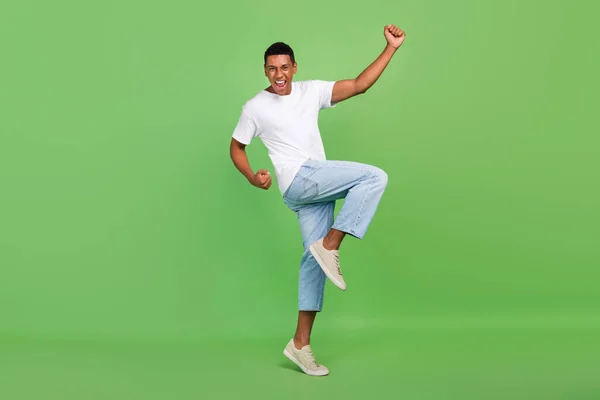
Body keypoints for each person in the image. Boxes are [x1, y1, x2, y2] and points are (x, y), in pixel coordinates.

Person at [229, 24, 406, 376]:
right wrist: (252, 176)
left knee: (313, 263)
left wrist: (391, 48)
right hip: (299, 179)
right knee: (374, 177)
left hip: (314, 186)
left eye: (284, 67)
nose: (278, 75)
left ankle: (300, 345)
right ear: (265, 71)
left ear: (294, 67)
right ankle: (333, 243)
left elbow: (359, 85)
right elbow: (237, 147)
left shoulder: (311, 92)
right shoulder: (255, 107)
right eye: (271, 68)